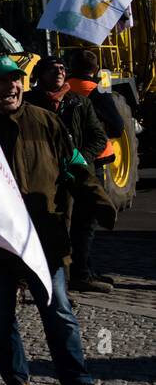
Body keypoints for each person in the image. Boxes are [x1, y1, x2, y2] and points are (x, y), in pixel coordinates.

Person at [0, 55, 119, 385]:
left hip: (44, 238)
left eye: (16, 80)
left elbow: (75, 165)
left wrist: (98, 199)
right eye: (2, 81)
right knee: (1, 319)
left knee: (59, 313)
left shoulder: (47, 122)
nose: (12, 86)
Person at [63, 49, 124, 292]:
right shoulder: (95, 90)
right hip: (91, 160)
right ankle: (83, 273)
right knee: (87, 222)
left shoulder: (63, 87)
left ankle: (87, 269)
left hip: (68, 158)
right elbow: (118, 126)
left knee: (75, 219)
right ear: (96, 69)